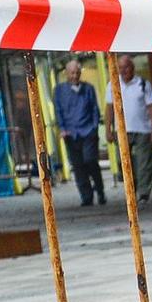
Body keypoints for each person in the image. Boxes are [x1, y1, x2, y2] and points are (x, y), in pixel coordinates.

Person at [52, 59, 105, 206]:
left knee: (90, 161)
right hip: (71, 133)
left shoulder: (88, 88)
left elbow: (95, 109)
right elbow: (59, 111)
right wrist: (62, 129)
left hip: (87, 131)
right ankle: (86, 196)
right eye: (72, 73)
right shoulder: (59, 90)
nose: (75, 76)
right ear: (66, 73)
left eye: (77, 72)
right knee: (78, 166)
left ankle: (100, 189)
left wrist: (94, 128)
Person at [119, 58, 152, 203]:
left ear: (132, 68)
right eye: (120, 68)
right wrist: (109, 128)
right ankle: (131, 190)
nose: (123, 71)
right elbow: (109, 106)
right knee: (124, 163)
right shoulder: (113, 84)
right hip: (122, 130)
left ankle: (143, 193)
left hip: (143, 128)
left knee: (144, 163)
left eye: (126, 67)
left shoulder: (143, 84)